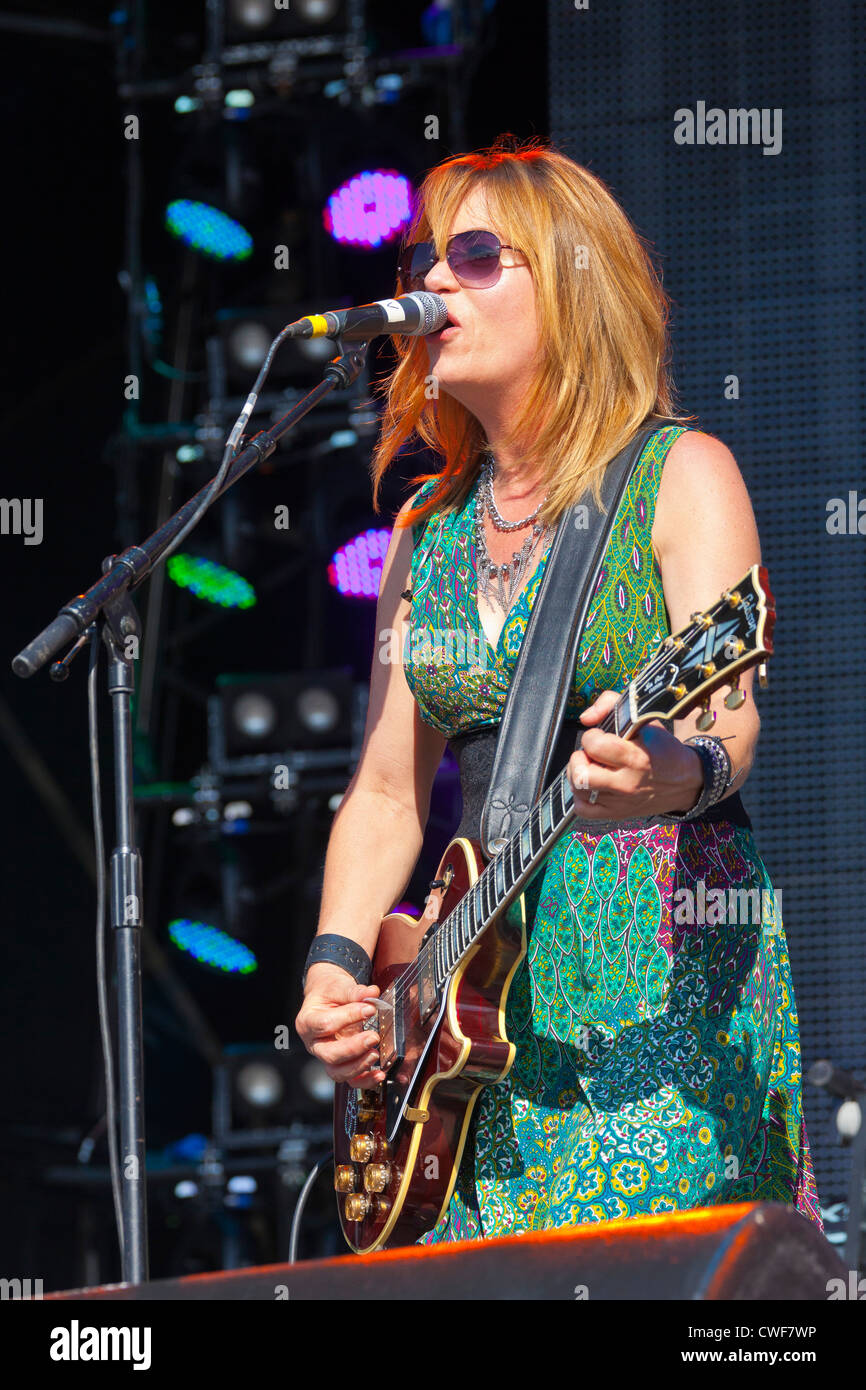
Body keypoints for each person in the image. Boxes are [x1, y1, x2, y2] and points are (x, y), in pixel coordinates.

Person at [295, 134, 823, 1239]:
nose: (433, 282)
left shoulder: (678, 475)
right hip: (462, 1028)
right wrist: (338, 969)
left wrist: (662, 775)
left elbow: (728, 716)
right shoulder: (423, 533)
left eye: (477, 255)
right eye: (425, 261)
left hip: (650, 985)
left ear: (575, 285)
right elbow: (390, 793)